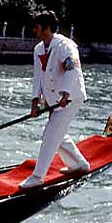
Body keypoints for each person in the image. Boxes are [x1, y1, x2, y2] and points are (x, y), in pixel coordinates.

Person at [18, 11, 90, 189]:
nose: (34, 31)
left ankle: (37, 176)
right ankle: (79, 164)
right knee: (57, 133)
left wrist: (65, 94)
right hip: (54, 98)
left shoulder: (66, 46)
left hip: (71, 97)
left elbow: (72, 70)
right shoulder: (38, 49)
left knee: (50, 134)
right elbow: (38, 77)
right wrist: (35, 102)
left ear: (47, 28)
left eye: (37, 27)